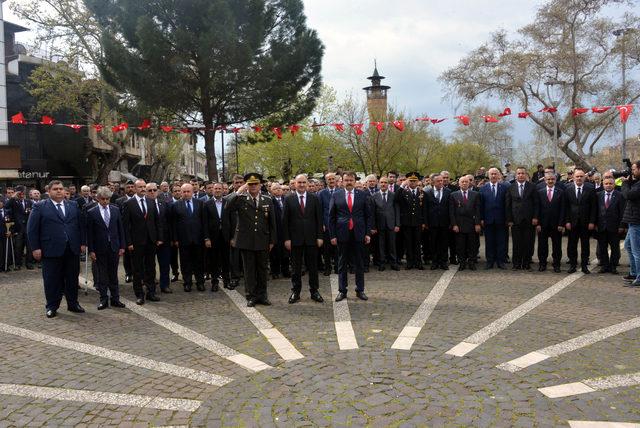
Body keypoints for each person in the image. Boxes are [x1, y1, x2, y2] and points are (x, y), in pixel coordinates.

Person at [27, 180, 85, 318]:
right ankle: (52, 306)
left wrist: (83, 242)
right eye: (55, 189)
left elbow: (80, 225)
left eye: (60, 189)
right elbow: (32, 229)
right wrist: (35, 248)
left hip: (71, 248)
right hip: (50, 249)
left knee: (72, 278)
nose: (59, 191)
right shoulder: (40, 206)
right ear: (49, 191)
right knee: (52, 279)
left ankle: (73, 303)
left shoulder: (73, 205)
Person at [226, 173, 277, 307]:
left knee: (262, 269)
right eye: (250, 184)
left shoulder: (267, 199)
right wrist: (237, 192)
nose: (253, 186)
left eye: (255, 184)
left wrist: (272, 240)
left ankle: (262, 295)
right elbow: (227, 207)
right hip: (246, 240)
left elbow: (272, 222)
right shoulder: (240, 199)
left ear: (260, 185)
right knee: (249, 270)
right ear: (246, 185)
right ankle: (251, 296)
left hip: (262, 239)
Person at [329, 171, 373, 302]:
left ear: (355, 181)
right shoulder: (336, 195)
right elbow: (331, 217)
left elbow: (368, 216)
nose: (348, 182)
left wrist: (367, 233)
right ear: (342, 181)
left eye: (351, 180)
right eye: (346, 180)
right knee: (342, 263)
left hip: (359, 233)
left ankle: (360, 290)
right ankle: (342, 291)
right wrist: (332, 235)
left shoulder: (363, 195)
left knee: (360, 262)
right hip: (342, 233)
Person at [282, 174, 324, 304]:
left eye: (303, 182)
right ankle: (296, 292)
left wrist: (320, 236)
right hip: (295, 239)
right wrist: (287, 239)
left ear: (307, 184)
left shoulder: (314, 198)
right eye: (299, 182)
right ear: (294, 184)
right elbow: (285, 221)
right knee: (296, 268)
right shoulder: (288, 199)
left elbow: (319, 219)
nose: (301, 185)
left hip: (312, 238)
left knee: (313, 267)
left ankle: (314, 291)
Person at [85, 187, 126, 310]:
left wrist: (122, 246)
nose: (105, 201)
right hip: (99, 248)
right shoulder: (91, 212)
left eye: (107, 199)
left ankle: (115, 299)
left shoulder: (115, 210)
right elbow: (90, 233)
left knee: (113, 274)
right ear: (97, 199)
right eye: (103, 199)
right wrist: (91, 250)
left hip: (114, 246)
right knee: (102, 276)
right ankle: (103, 299)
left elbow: (120, 229)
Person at [122, 179, 162, 305]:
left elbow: (157, 222)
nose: (143, 189)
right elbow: (126, 226)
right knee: (137, 269)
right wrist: (128, 243)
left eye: (144, 186)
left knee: (151, 268)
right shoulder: (129, 203)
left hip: (151, 241)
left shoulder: (151, 202)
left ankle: (151, 292)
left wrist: (159, 238)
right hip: (136, 242)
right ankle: (139, 294)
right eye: (140, 187)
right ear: (134, 188)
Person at [171, 183, 206, 292]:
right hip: (183, 239)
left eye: (188, 191)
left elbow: (204, 222)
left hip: (198, 239)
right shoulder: (176, 205)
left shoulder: (200, 203)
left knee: (199, 262)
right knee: (185, 263)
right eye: (184, 191)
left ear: (192, 192)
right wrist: (175, 239)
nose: (186, 194)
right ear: (181, 192)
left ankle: (200, 282)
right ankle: (187, 283)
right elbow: (174, 224)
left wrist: (206, 237)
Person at [564, 168, 597, 274]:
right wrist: (567, 221)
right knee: (572, 245)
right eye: (577, 176)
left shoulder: (591, 188)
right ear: (573, 177)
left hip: (586, 222)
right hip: (572, 223)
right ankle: (573, 265)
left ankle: (584, 266)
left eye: (581, 176)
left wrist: (592, 222)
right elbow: (566, 207)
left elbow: (593, 207)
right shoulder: (567, 188)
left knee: (585, 245)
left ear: (584, 178)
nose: (579, 178)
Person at [506, 167, 539, 271]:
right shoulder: (511, 187)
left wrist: (535, 217)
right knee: (517, 243)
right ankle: (516, 264)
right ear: (516, 175)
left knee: (528, 243)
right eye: (519, 173)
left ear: (526, 175)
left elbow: (536, 204)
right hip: (516, 220)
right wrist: (509, 220)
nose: (521, 175)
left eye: (523, 173)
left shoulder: (532, 187)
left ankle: (526, 263)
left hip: (529, 220)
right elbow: (508, 205)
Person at [449, 175, 481, 271]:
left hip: (471, 224)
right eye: (462, 182)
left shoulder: (475, 194)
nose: (464, 183)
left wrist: (477, 223)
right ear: (459, 184)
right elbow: (451, 212)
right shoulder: (453, 195)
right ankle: (462, 262)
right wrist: (454, 224)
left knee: (472, 245)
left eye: (466, 182)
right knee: (460, 245)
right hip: (459, 225)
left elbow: (477, 210)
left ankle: (471, 262)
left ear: (469, 183)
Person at [146, 182, 173, 293]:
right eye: (150, 190)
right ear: (146, 192)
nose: (152, 192)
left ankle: (165, 285)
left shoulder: (164, 203)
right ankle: (150, 286)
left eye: (154, 190)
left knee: (165, 264)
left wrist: (170, 238)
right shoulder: (143, 205)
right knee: (149, 265)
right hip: (149, 240)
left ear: (158, 191)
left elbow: (169, 222)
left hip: (164, 239)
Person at [479, 168, 509, 269]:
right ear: (488, 175)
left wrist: (507, 219)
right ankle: (490, 261)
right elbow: (481, 205)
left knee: (501, 241)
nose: (493, 176)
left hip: (501, 219)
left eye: (495, 174)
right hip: (488, 219)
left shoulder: (504, 188)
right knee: (489, 241)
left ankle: (501, 261)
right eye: (491, 174)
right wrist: (481, 219)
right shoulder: (483, 188)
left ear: (499, 175)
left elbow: (507, 205)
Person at [203, 182, 231, 291]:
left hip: (226, 236)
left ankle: (227, 281)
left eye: (220, 188)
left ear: (223, 190)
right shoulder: (207, 204)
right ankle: (214, 282)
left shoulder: (228, 202)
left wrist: (232, 237)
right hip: (213, 237)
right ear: (212, 190)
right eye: (216, 189)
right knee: (213, 261)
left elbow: (232, 220)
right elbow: (204, 222)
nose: (218, 190)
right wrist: (206, 238)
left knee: (226, 260)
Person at [396, 172, 426, 270]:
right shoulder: (403, 192)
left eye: (414, 181)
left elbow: (424, 209)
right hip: (407, 222)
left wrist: (424, 222)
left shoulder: (422, 192)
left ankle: (418, 262)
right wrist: (402, 186)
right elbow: (396, 199)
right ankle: (410, 262)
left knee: (417, 243)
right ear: (408, 181)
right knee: (408, 243)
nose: (413, 183)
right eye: (411, 181)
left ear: (418, 182)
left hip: (417, 222)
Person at [536, 173, 565, 272]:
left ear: (555, 180)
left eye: (552, 179)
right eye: (548, 179)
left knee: (557, 246)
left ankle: (556, 264)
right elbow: (537, 209)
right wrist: (538, 223)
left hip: (556, 225)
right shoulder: (540, 192)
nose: (550, 181)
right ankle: (542, 264)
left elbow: (562, 209)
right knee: (542, 246)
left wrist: (561, 224)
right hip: (543, 224)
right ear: (545, 180)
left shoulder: (560, 192)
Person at [596, 177, 625, 274]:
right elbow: (595, 211)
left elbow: (622, 212)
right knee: (602, 248)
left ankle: (613, 266)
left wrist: (621, 226)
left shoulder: (620, 196)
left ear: (614, 184)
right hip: (601, 227)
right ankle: (604, 266)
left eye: (610, 183)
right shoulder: (598, 195)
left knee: (615, 248)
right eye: (606, 183)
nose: (608, 185)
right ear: (603, 185)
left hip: (615, 227)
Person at [372, 176, 400, 271]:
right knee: (381, 245)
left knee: (392, 245)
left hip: (391, 224)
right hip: (380, 225)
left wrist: (397, 224)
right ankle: (382, 263)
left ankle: (393, 263)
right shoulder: (375, 196)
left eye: (385, 182)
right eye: (381, 182)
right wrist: (374, 226)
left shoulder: (393, 195)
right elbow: (373, 212)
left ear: (388, 184)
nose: (383, 184)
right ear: (378, 184)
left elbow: (397, 210)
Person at [424, 174, 451, 270]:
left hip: (444, 222)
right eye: (438, 181)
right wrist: (426, 223)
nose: (441, 182)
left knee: (444, 243)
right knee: (433, 243)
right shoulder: (427, 193)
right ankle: (435, 262)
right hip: (432, 223)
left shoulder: (448, 192)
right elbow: (425, 209)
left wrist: (451, 222)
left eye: (441, 180)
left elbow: (450, 209)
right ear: (432, 182)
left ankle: (443, 262)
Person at [5, 186, 34, 270]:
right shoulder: (13, 201)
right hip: (18, 228)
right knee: (18, 247)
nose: (21, 194)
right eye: (20, 193)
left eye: (23, 193)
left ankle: (29, 263)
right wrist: (13, 197)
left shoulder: (29, 202)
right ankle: (18, 264)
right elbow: (6, 206)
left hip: (28, 228)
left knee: (29, 247)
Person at [621, 161, 640, 287]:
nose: (632, 172)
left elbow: (628, 195)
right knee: (628, 245)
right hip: (633, 221)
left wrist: (625, 183)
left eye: (633, 169)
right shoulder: (637, 183)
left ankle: (639, 277)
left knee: (636, 251)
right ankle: (634, 272)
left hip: (636, 221)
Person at [318, 172, 338, 276]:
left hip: (338, 225)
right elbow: (319, 210)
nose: (331, 180)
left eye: (333, 179)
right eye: (329, 179)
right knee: (326, 249)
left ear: (336, 180)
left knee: (337, 248)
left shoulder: (341, 191)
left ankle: (338, 267)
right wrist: (321, 224)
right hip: (326, 225)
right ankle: (327, 268)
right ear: (326, 181)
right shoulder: (321, 193)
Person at [269, 182, 291, 279]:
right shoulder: (270, 201)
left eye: (279, 188)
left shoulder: (286, 200)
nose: (278, 190)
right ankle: (275, 271)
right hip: (275, 230)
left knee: (286, 252)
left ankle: (286, 270)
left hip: (285, 230)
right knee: (275, 252)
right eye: (275, 189)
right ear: (271, 191)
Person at [116, 180, 135, 283]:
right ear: (125, 189)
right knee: (127, 255)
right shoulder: (119, 201)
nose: (131, 188)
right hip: (125, 232)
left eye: (132, 186)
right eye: (128, 187)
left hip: (137, 232)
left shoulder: (138, 200)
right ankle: (128, 273)